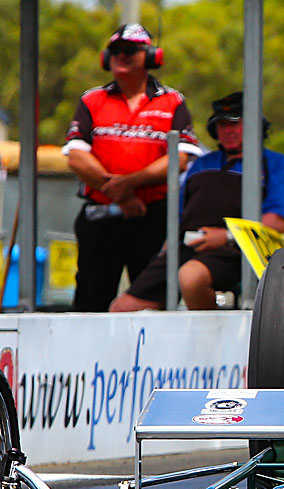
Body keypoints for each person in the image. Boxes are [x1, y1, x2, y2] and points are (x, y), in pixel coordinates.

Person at [110, 91, 284, 311]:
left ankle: (214, 333)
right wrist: (166, 250)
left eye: (235, 123)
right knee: (121, 308)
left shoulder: (275, 164)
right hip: (186, 247)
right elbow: (179, 218)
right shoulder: (201, 164)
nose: (227, 130)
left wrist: (227, 237)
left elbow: (279, 222)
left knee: (191, 277)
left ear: (254, 126)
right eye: (221, 125)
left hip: (239, 251)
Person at [63, 23, 201, 312]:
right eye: (115, 51)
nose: (121, 56)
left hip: (152, 219)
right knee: (91, 302)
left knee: (152, 302)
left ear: (151, 56)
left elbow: (179, 159)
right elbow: (76, 156)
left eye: (130, 50)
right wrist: (121, 195)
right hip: (101, 218)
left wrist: (130, 183)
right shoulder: (92, 100)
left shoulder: (172, 101)